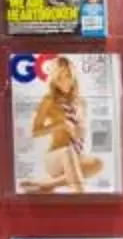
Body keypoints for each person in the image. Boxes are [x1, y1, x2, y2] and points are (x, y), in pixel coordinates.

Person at [28, 54, 90, 192]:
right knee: (68, 152)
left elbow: (80, 135)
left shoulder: (81, 102)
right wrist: (60, 125)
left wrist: (79, 128)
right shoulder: (49, 100)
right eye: (59, 78)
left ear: (73, 76)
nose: (64, 82)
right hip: (55, 156)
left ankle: (47, 184)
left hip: (76, 155)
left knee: (98, 164)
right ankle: (81, 201)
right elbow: (35, 132)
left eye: (67, 76)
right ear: (54, 80)